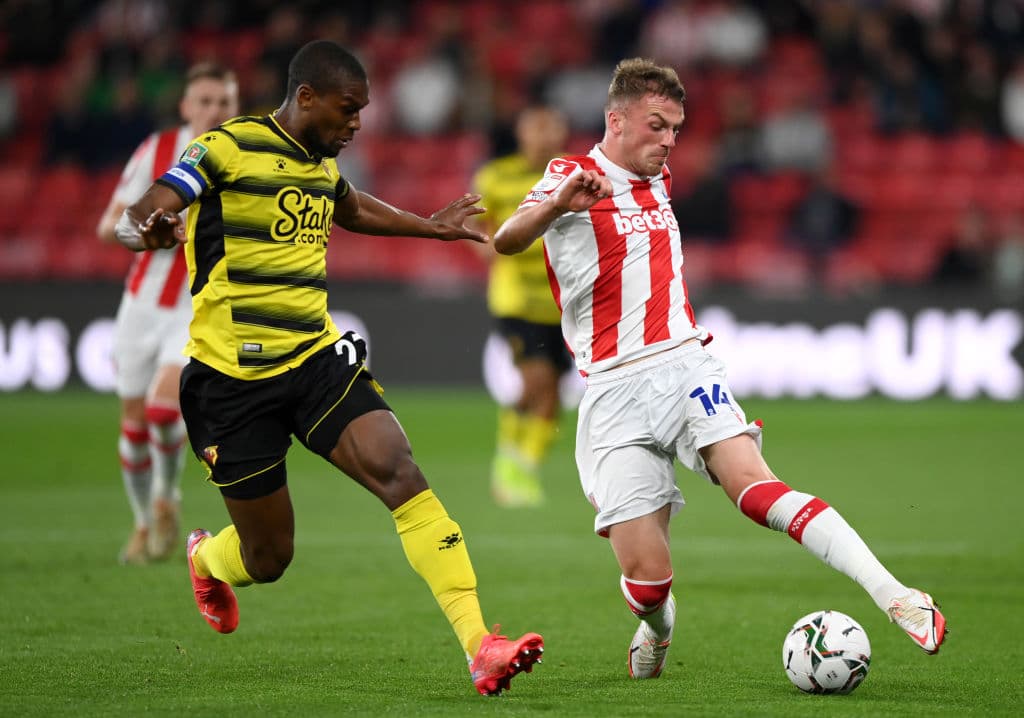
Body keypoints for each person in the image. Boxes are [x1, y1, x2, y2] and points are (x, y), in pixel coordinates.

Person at [493, 57, 947, 680]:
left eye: (675, 130)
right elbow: (508, 239)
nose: (668, 141)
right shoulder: (570, 175)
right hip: (612, 389)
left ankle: (896, 595)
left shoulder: (659, 178)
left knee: (754, 489)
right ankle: (658, 627)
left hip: (685, 365)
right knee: (647, 583)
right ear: (616, 120)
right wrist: (557, 205)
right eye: (657, 125)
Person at [113, 40, 542, 697]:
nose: (357, 123)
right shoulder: (228, 147)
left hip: (314, 359)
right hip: (231, 382)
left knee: (400, 471)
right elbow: (143, 209)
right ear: (306, 97)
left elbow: (352, 207)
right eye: (348, 109)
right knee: (269, 557)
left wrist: (430, 228)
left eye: (362, 110)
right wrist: (146, 230)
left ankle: (480, 645)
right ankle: (206, 558)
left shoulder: (320, 162)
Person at [96, 62, 240, 564]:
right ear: (185, 106)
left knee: (162, 409)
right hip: (140, 306)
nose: (214, 111)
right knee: (134, 424)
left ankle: (165, 498)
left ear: (236, 106)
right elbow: (109, 225)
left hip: (196, 307)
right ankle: (143, 523)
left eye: (223, 102)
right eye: (205, 101)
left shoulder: (244, 156)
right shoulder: (157, 150)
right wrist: (147, 230)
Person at [472, 106, 573, 508]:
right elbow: (475, 223)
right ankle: (507, 462)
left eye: (551, 129)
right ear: (522, 133)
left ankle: (524, 468)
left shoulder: (573, 174)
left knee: (553, 395)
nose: (544, 137)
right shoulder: (496, 176)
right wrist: (485, 245)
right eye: (537, 129)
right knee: (536, 381)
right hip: (515, 299)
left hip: (562, 302)